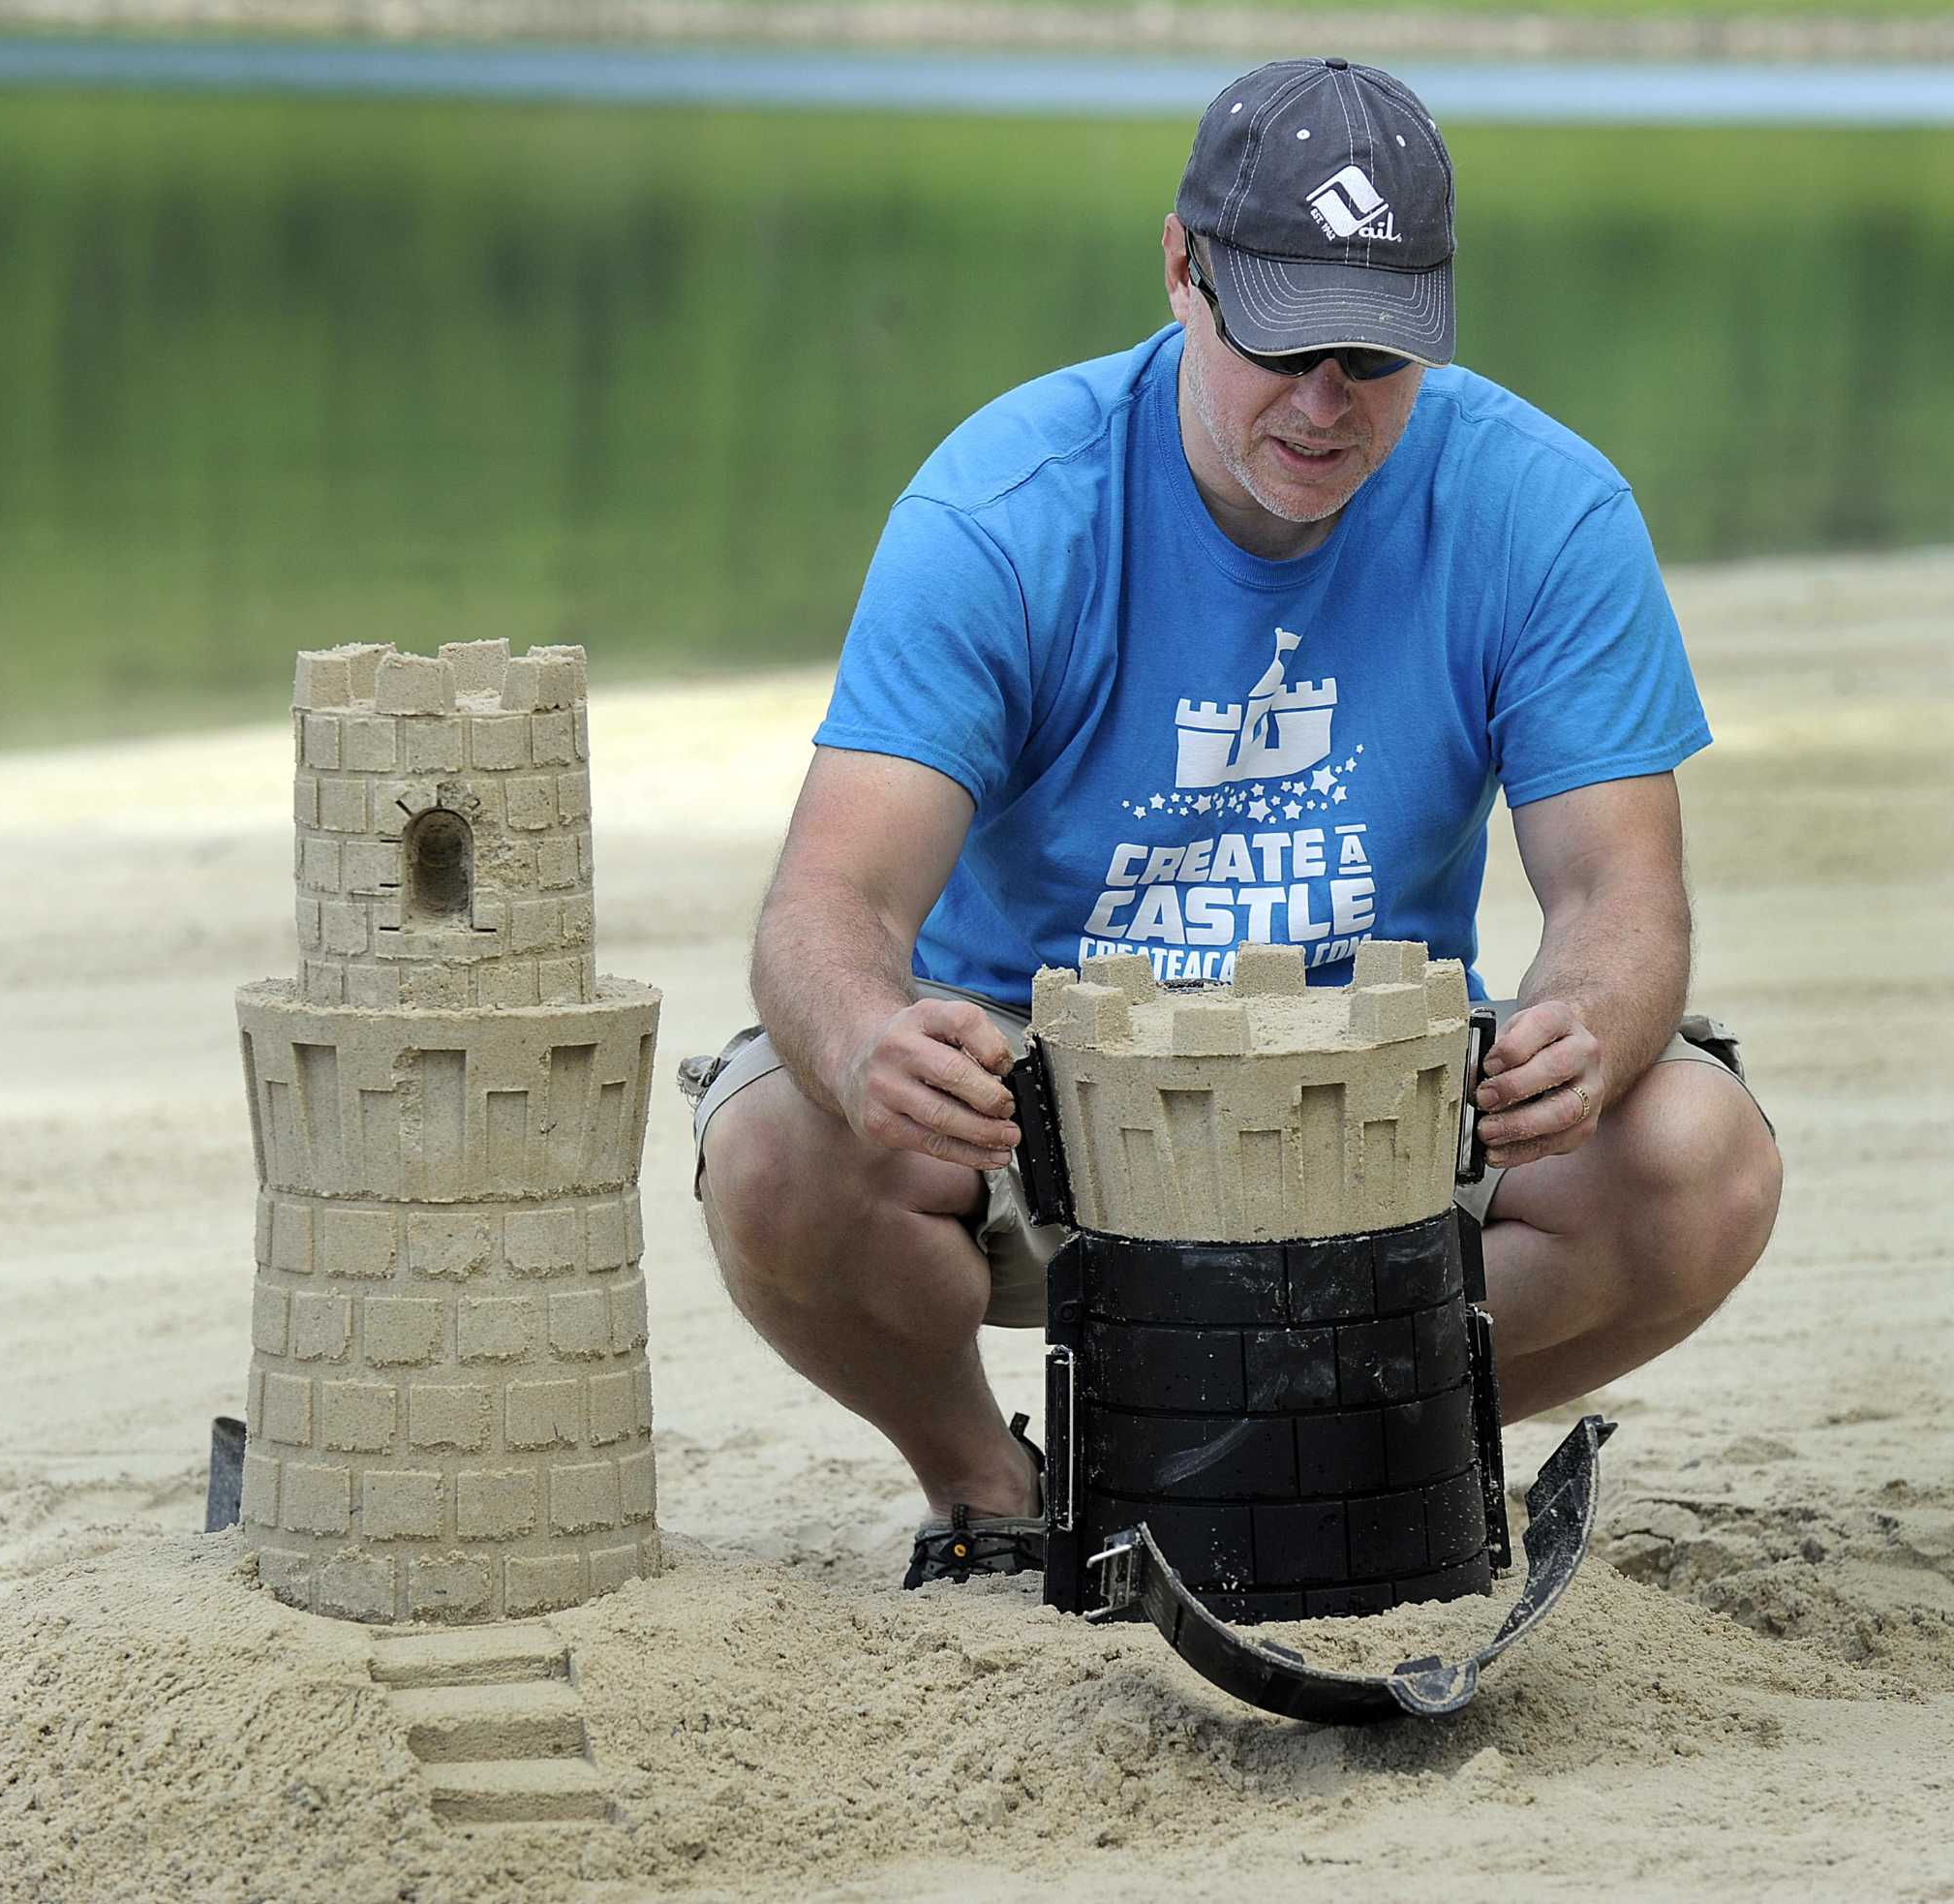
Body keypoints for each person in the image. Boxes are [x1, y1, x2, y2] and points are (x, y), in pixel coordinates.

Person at [686, 57, 1783, 1589]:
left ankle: (1330, 1439)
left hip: (1375, 1099)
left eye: (1374, 355)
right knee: (769, 1155)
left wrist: (1590, 1020)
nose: (1325, 404)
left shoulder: (1547, 510)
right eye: (1280, 343)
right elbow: (827, 907)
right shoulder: (1003, 509)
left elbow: (1622, 900)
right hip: (1043, 1094)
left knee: (1700, 1153)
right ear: (1181, 269)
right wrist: (871, 1036)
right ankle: (991, 1485)